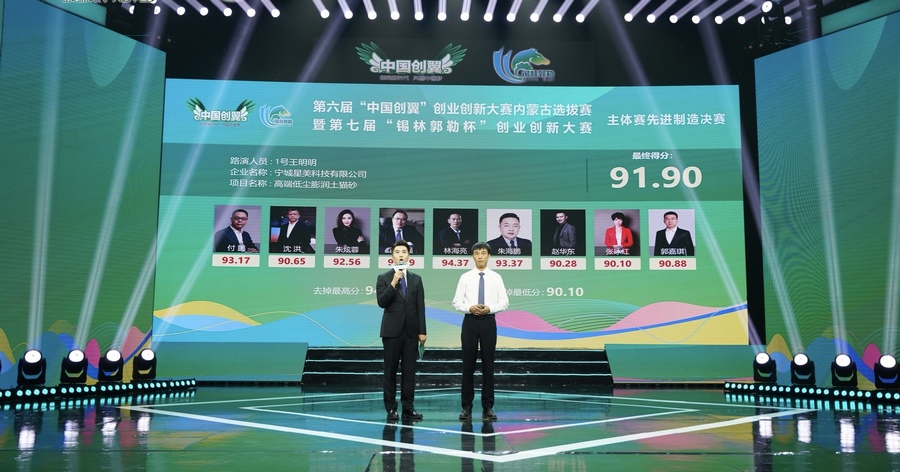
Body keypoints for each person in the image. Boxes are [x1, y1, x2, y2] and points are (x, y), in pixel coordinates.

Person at [452, 242, 509, 421]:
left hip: (488, 322)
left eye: (483, 253)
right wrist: (470, 308)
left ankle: (488, 408)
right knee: (467, 366)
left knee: (488, 366)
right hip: (470, 321)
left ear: (489, 256)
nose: (480, 256)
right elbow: (456, 302)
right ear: (473, 256)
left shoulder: (496, 277)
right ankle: (466, 408)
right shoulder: (465, 277)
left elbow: (504, 302)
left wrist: (489, 308)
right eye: (477, 253)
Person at [376, 240, 427, 421]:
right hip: (391, 332)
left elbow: (420, 306)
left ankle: (408, 408)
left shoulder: (416, 279)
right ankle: (391, 408)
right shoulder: (383, 278)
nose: (401, 255)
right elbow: (382, 302)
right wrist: (393, 283)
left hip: (411, 332)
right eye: (397, 252)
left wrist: (422, 331)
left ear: (408, 255)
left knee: (409, 371)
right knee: (390, 371)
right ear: (392, 255)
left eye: (404, 252)